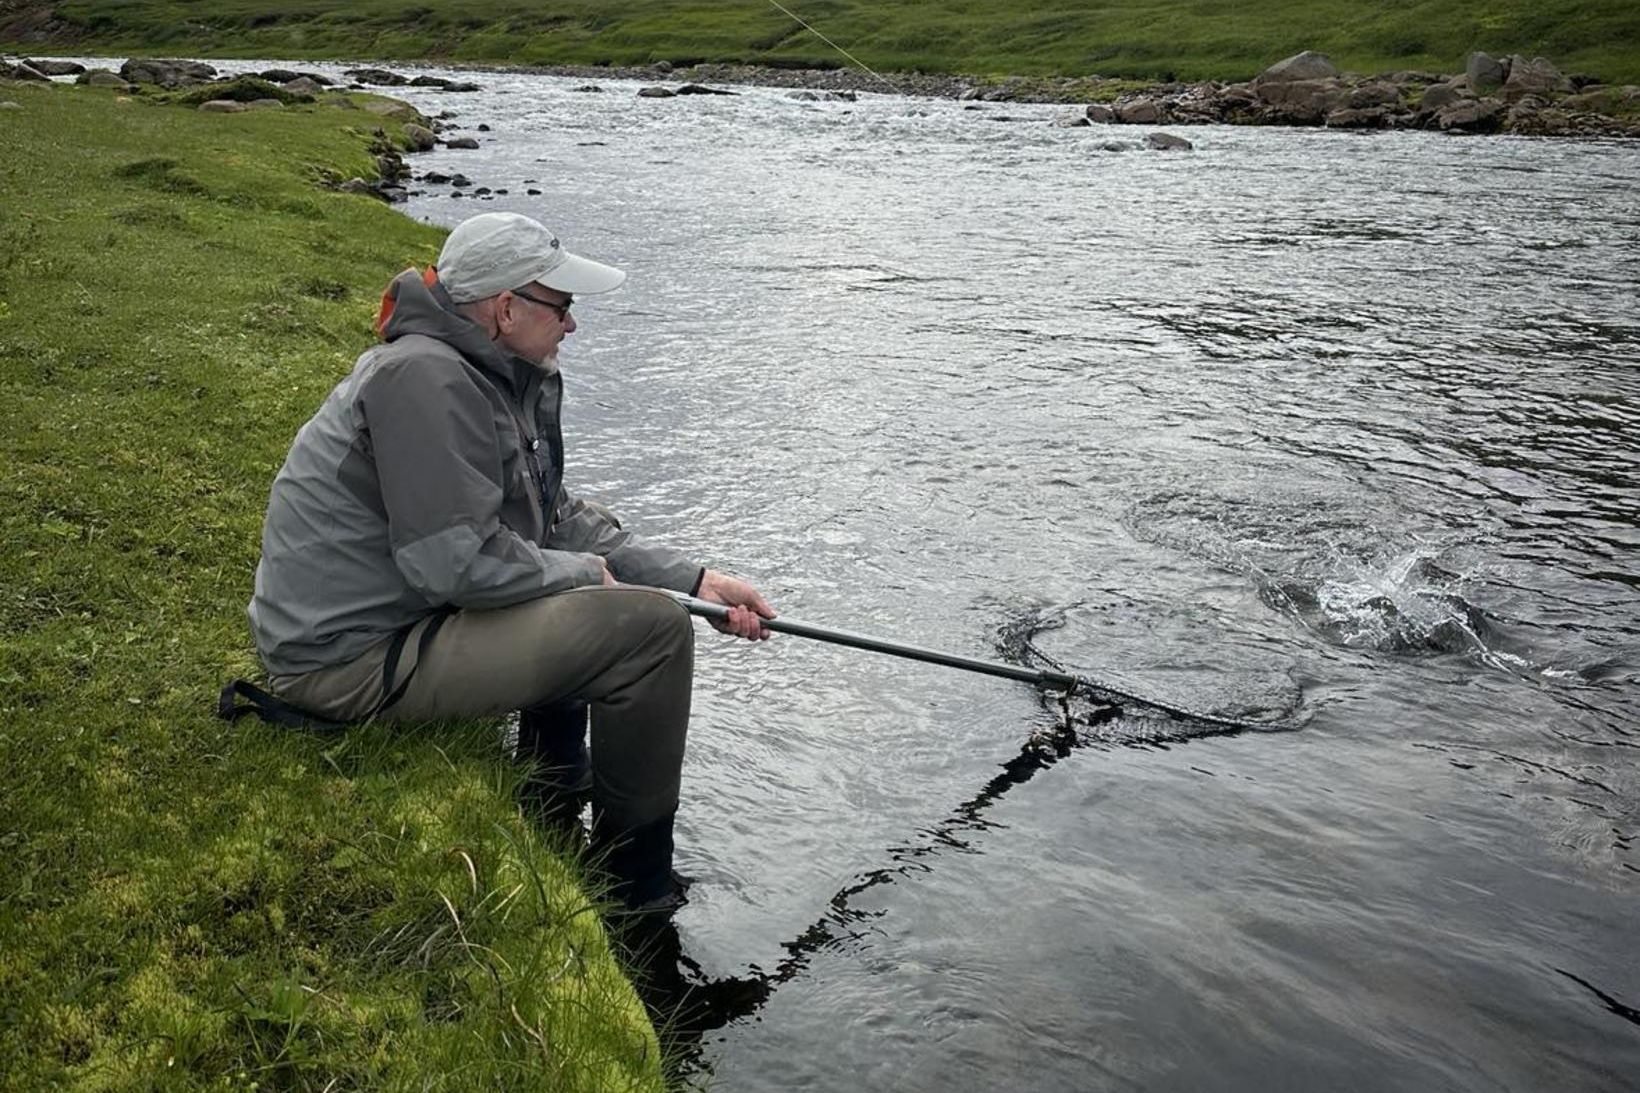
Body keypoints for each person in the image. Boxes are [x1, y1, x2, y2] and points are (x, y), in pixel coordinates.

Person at [246, 211, 774, 913]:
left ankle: (553, 785)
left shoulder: (490, 371)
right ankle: (635, 883)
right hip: (344, 661)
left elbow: (547, 518)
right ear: (505, 309)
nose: (572, 326)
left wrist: (695, 581)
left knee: (593, 588)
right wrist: (594, 580)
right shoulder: (427, 382)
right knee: (648, 634)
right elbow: (456, 566)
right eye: (563, 307)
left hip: (400, 625)